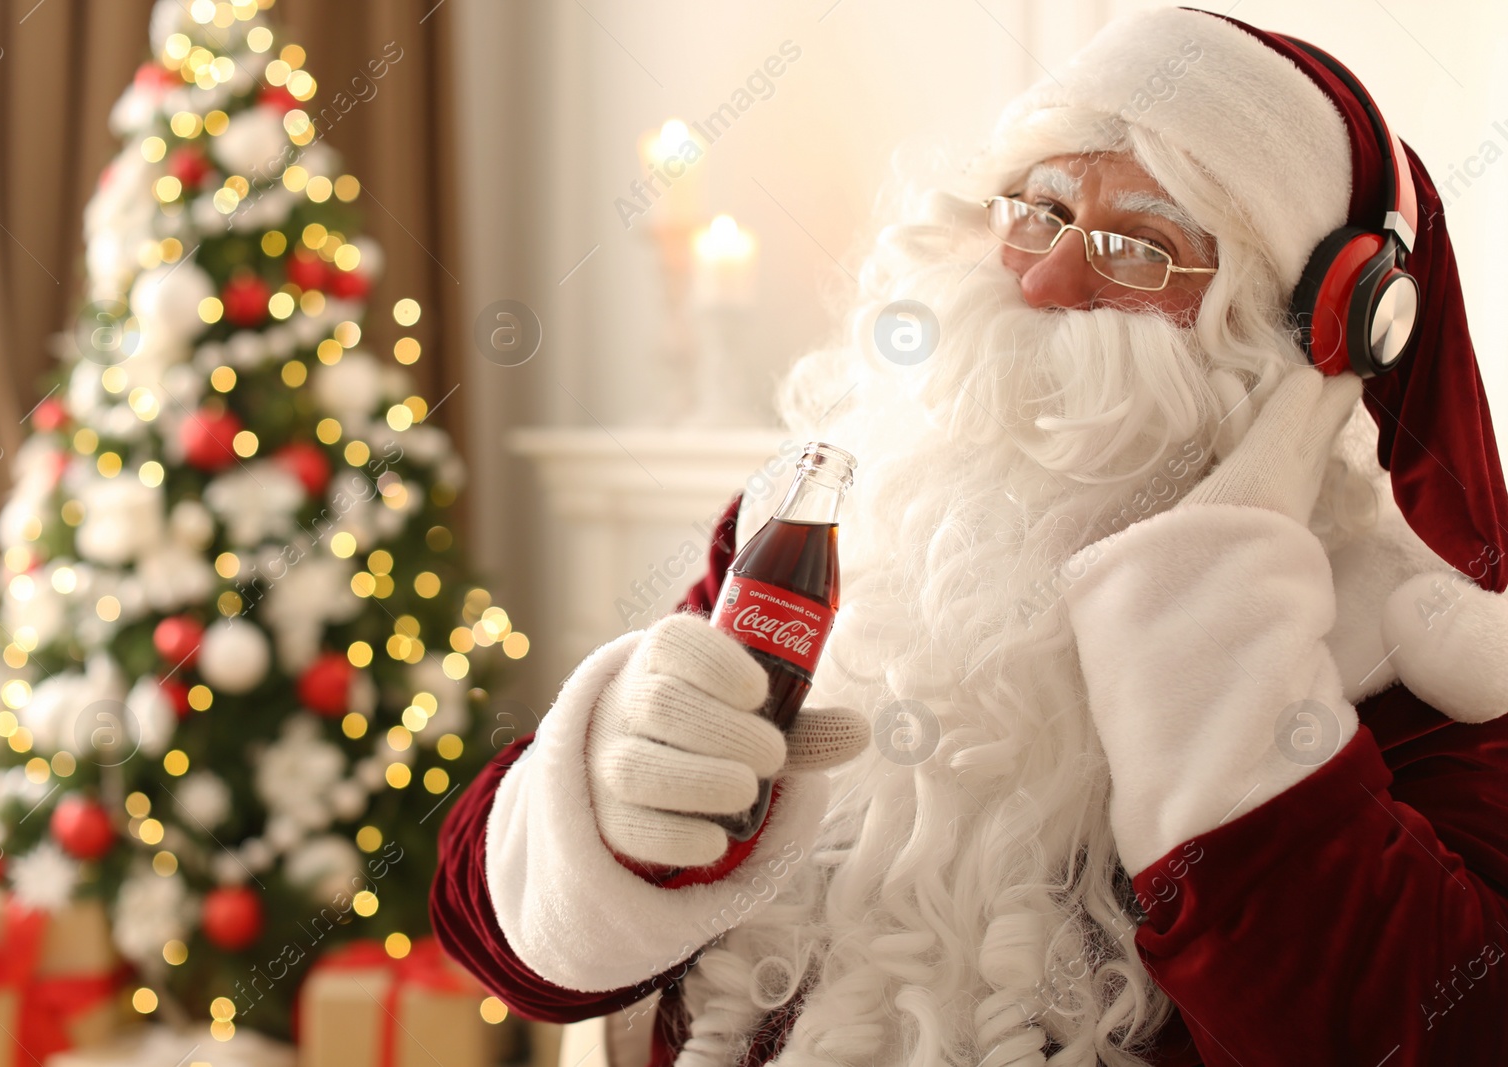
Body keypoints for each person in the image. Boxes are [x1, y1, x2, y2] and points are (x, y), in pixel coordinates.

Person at [431, 8, 1508, 1065]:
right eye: (1038, 208)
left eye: (1137, 248)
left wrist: (1212, 618)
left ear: (1306, 332)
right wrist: (621, 800)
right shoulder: (845, 526)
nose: (1041, 278)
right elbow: (502, 943)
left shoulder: (1412, 656)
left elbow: (1425, 1030)